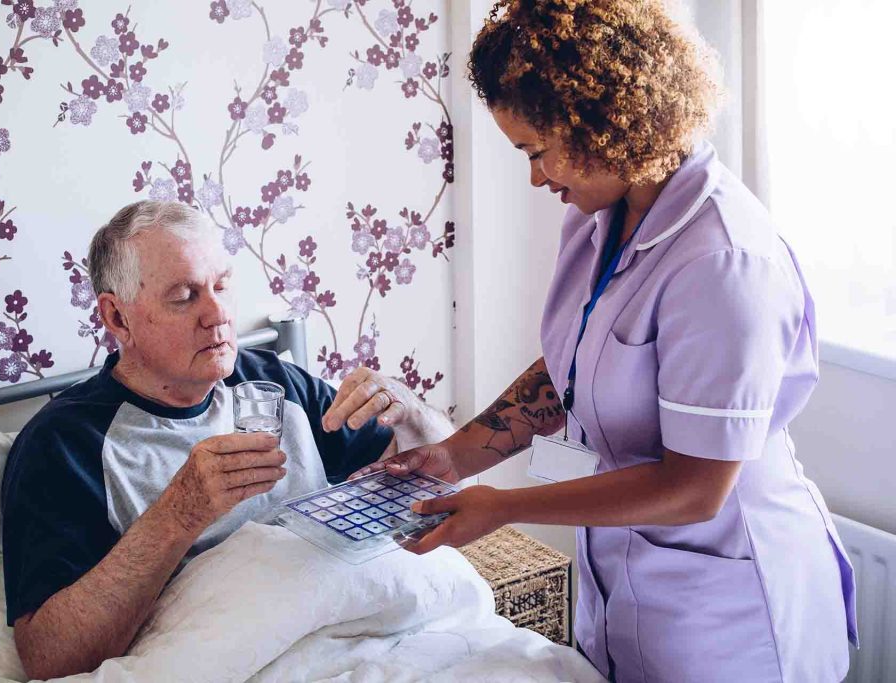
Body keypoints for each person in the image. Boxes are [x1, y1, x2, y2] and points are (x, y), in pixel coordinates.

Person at [353, 1, 857, 680]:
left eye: (537, 151)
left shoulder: (722, 262)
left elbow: (695, 488)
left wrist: (501, 508)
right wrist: (452, 456)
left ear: (603, 120)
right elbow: (578, 367)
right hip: (626, 594)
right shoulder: (602, 215)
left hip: (731, 615)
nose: (535, 177)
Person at [0, 200, 452, 679]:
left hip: (359, 647)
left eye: (221, 286)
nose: (217, 314)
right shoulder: (66, 444)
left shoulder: (279, 383)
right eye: (183, 296)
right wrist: (179, 513)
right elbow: (51, 657)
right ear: (117, 318)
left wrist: (414, 415)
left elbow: (445, 477)